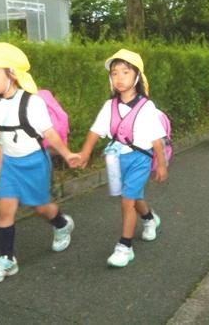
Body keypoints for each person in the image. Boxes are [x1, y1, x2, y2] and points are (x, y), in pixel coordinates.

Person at [0, 42, 79, 284]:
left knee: (40, 208)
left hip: (34, 163)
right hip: (10, 165)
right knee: (4, 211)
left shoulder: (32, 103)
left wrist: (67, 154)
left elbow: (50, 134)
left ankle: (62, 223)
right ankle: (6, 259)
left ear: (11, 73)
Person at [77, 49, 168, 268]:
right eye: (114, 73)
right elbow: (95, 131)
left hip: (140, 159)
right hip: (118, 159)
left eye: (125, 72)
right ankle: (149, 219)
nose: (119, 77)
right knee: (132, 197)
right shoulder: (109, 106)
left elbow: (157, 139)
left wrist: (161, 165)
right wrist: (85, 153)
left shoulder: (146, 106)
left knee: (127, 200)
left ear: (137, 76)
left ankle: (125, 247)